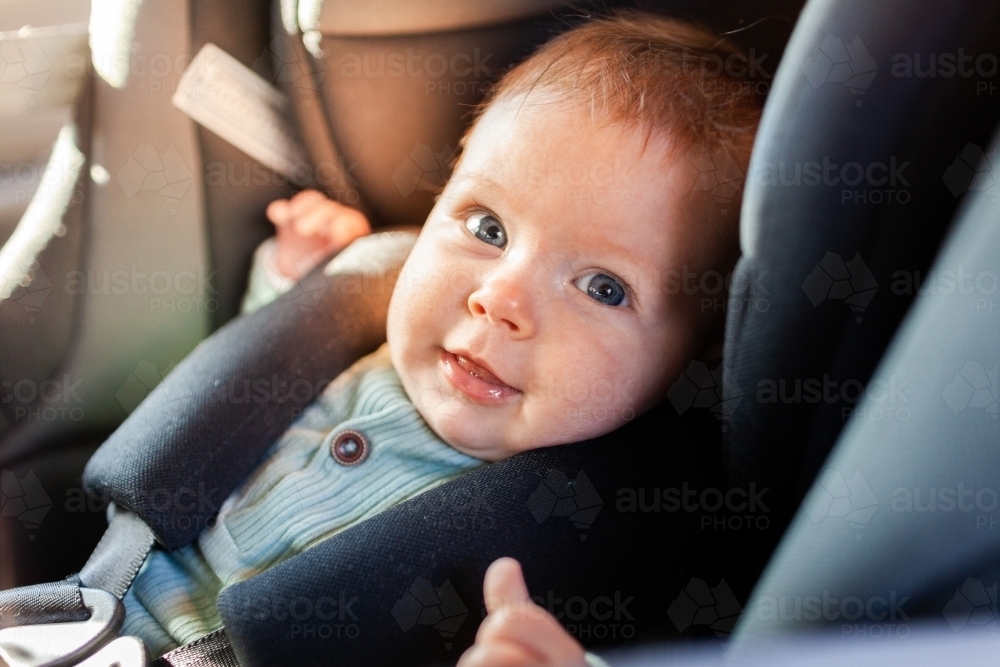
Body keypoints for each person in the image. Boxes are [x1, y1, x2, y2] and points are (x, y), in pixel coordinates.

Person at [119, 11, 760, 657]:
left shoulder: (594, 531)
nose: (499, 299)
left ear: (699, 346)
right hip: (90, 606)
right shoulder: (357, 336)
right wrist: (288, 285)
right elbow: (244, 399)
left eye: (603, 288)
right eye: (487, 227)